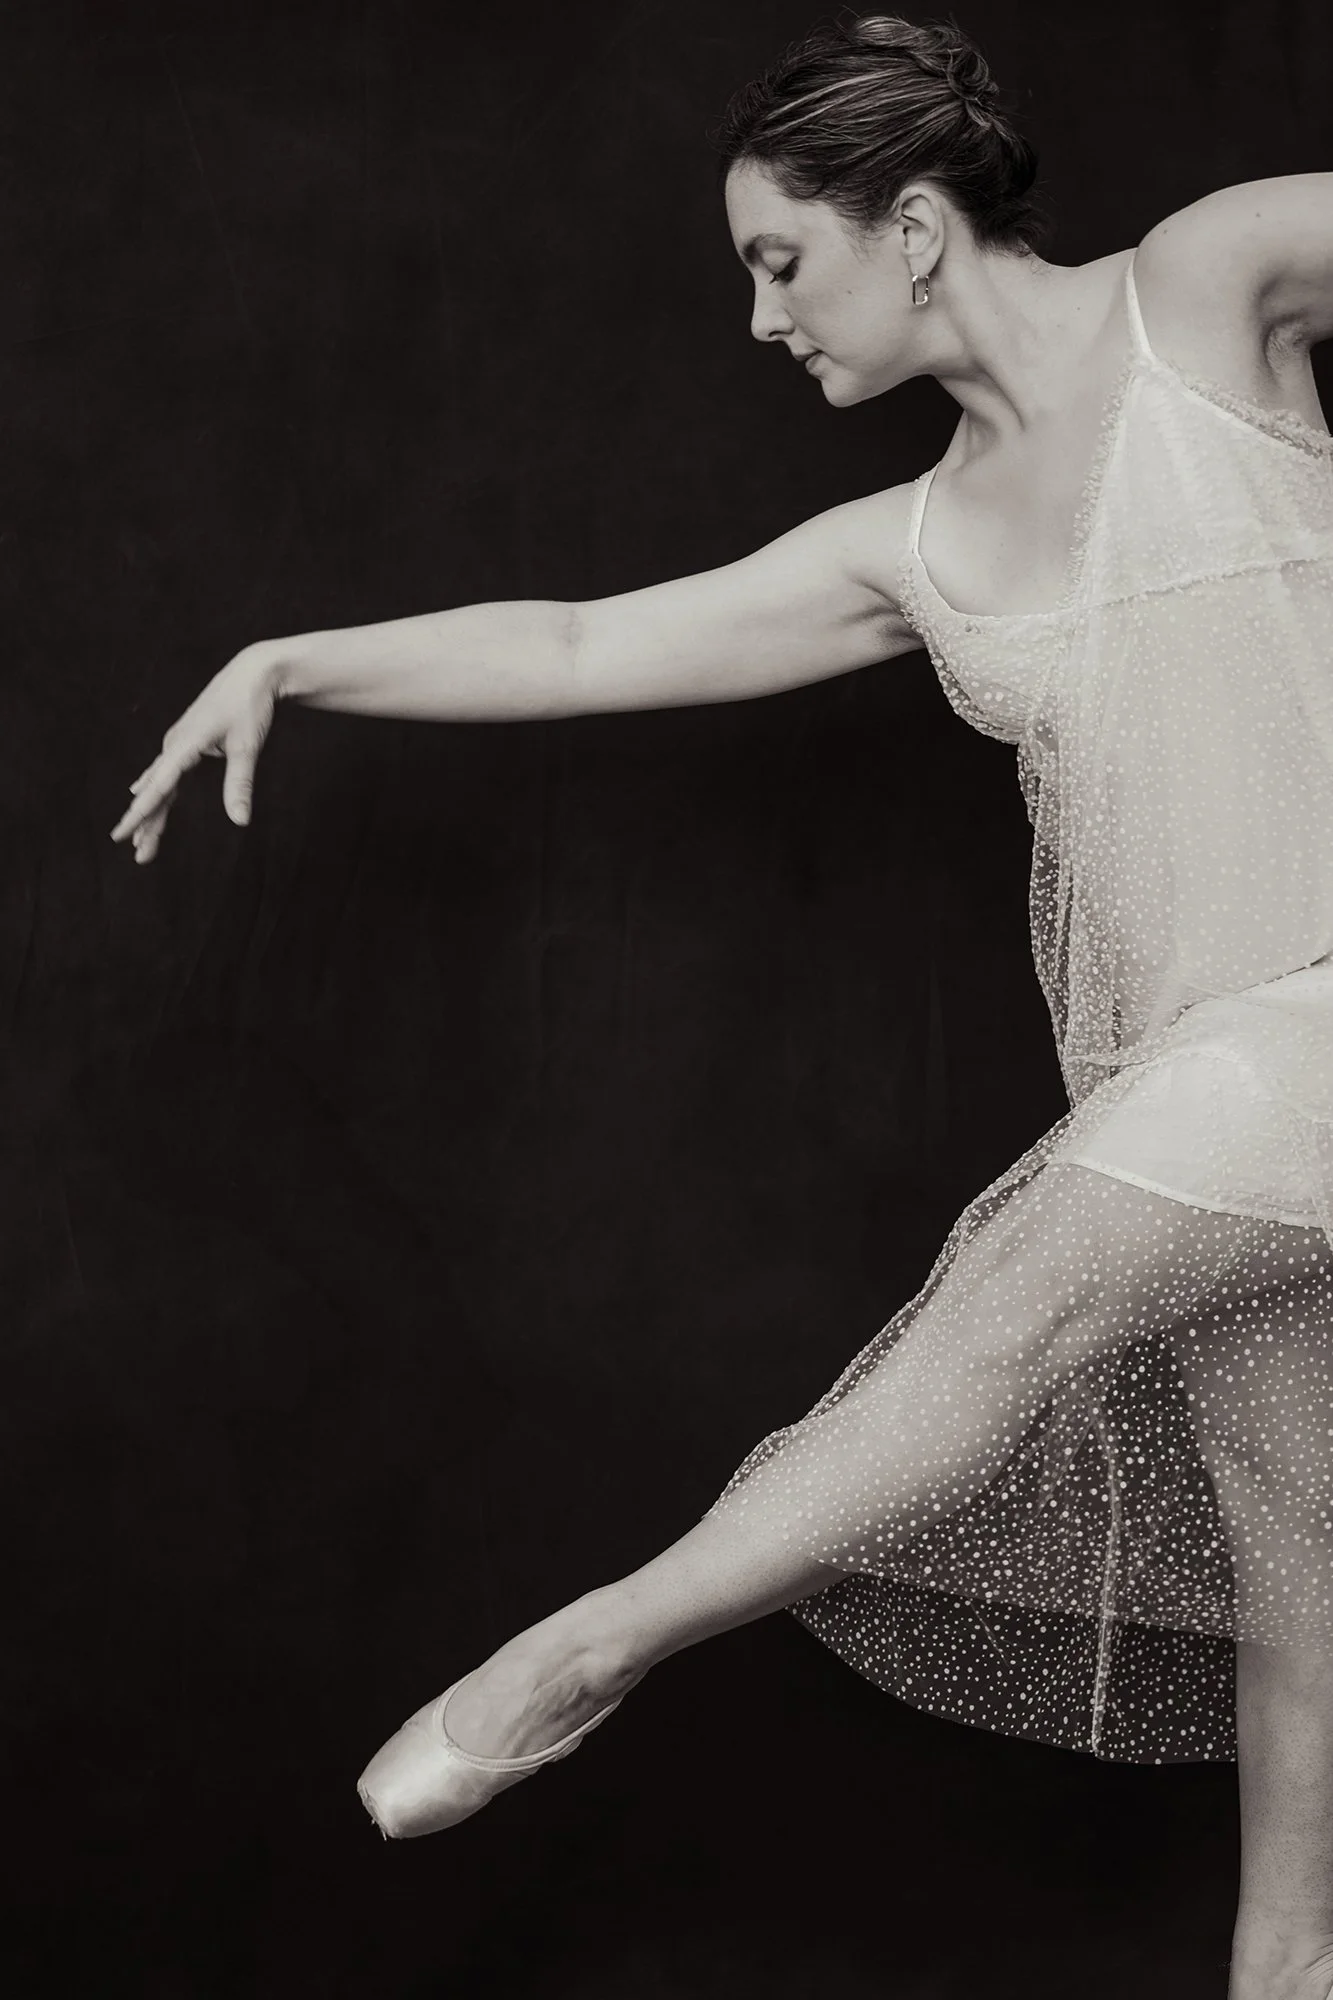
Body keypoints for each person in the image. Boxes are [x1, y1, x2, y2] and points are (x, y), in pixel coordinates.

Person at [109, 14, 1333, 1997]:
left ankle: (588, 1643)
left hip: (1313, 1027)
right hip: (1216, 1109)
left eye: (781, 260)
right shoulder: (910, 548)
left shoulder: (1207, 291)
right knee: (1304, 1564)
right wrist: (292, 654)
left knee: (1015, 1308)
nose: (762, 320)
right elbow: (591, 642)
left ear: (915, 229)